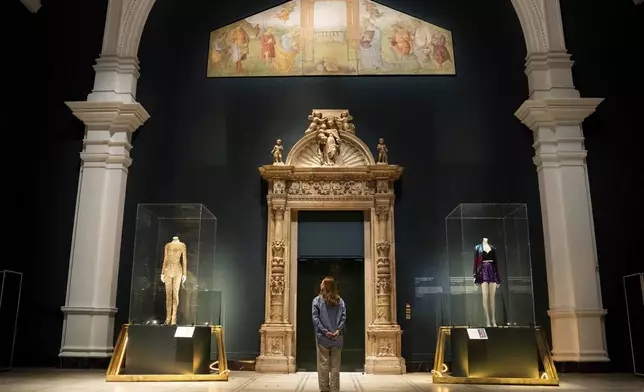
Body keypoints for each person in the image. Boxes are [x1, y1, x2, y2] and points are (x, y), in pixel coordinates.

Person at [312, 277, 346, 392]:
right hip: (337, 338)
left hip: (323, 338)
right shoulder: (340, 301)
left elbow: (315, 319)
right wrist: (337, 330)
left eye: (322, 283)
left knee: (323, 365)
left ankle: (324, 389)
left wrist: (325, 331)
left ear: (324, 286)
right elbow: (343, 318)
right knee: (335, 367)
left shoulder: (317, 301)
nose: (320, 284)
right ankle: (335, 389)